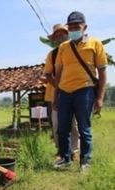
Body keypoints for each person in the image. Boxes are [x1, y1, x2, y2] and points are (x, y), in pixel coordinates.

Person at [54, 11, 107, 170]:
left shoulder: (95, 44)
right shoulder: (63, 47)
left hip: (85, 92)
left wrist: (100, 98)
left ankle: (85, 161)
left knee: (84, 129)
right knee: (62, 129)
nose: (73, 30)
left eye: (77, 26)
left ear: (85, 27)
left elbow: (102, 72)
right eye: (70, 27)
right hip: (64, 92)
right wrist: (56, 96)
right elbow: (58, 73)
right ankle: (65, 158)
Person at [43, 24, 79, 160]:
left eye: (62, 34)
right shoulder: (52, 55)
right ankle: (61, 151)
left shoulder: (77, 51)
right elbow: (47, 74)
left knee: (73, 124)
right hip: (55, 95)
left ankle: (74, 151)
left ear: (68, 34)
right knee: (57, 124)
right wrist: (60, 87)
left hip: (75, 93)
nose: (59, 37)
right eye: (56, 35)